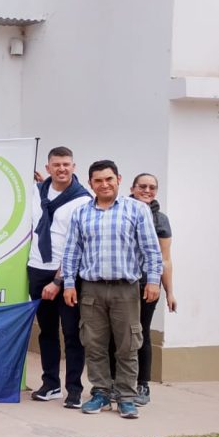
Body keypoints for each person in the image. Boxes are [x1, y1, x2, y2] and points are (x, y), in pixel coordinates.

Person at [61, 160, 163, 420]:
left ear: (118, 179)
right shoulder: (81, 214)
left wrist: (153, 281)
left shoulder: (137, 210)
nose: (104, 184)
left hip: (126, 290)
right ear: (90, 183)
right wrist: (69, 284)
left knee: (128, 344)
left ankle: (126, 397)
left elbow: (152, 250)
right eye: (98, 180)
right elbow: (72, 253)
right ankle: (101, 393)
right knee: (94, 344)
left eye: (109, 179)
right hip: (92, 290)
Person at [26, 146, 90, 409]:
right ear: (48, 167)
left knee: (72, 333)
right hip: (37, 268)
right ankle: (50, 384)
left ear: (74, 167)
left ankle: (73, 389)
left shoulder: (83, 200)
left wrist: (58, 281)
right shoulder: (36, 191)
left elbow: (80, 244)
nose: (62, 169)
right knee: (47, 332)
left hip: (67, 274)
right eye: (57, 164)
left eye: (67, 164)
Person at [108, 173, 177, 406]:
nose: (147, 190)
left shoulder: (160, 220)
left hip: (147, 286)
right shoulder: (119, 211)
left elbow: (165, 259)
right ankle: (114, 382)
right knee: (115, 334)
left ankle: (141, 384)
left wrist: (169, 291)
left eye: (152, 187)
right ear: (132, 188)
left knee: (141, 334)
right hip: (120, 284)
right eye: (142, 186)